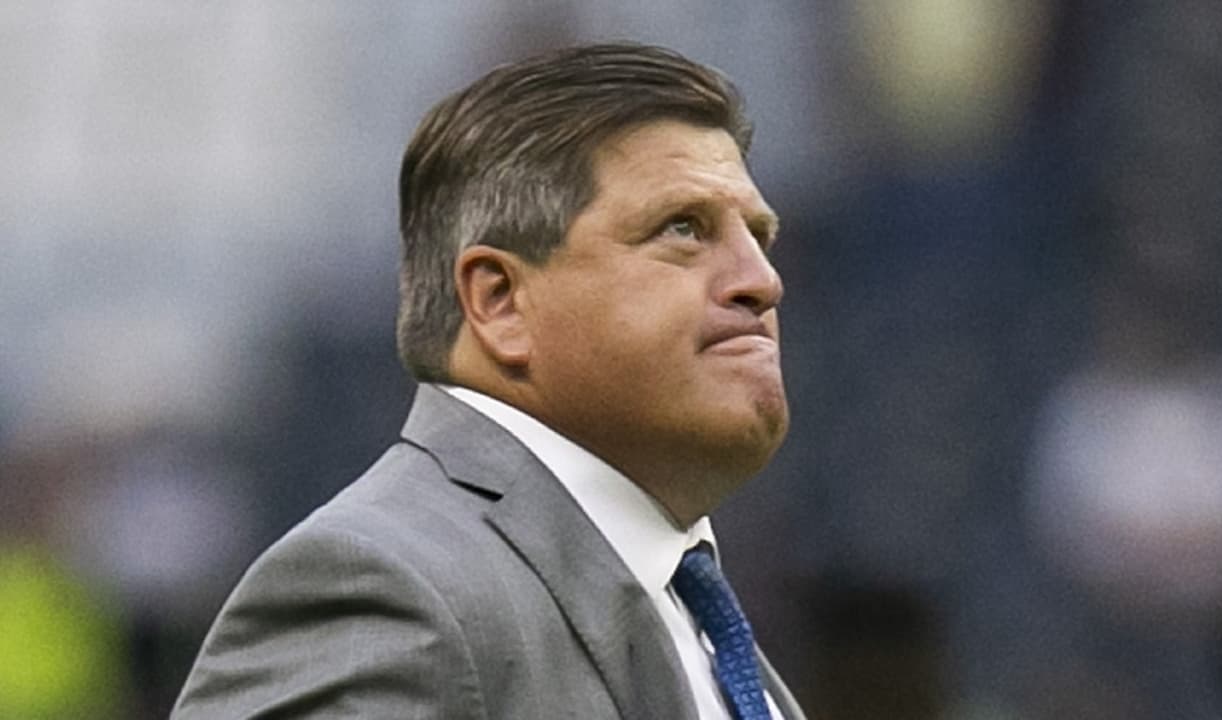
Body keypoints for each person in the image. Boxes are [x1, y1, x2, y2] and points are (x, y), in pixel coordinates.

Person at [173, 42, 806, 720]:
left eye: (758, 237)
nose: (762, 280)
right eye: (683, 228)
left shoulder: (694, 616)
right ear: (500, 302)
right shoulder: (388, 588)